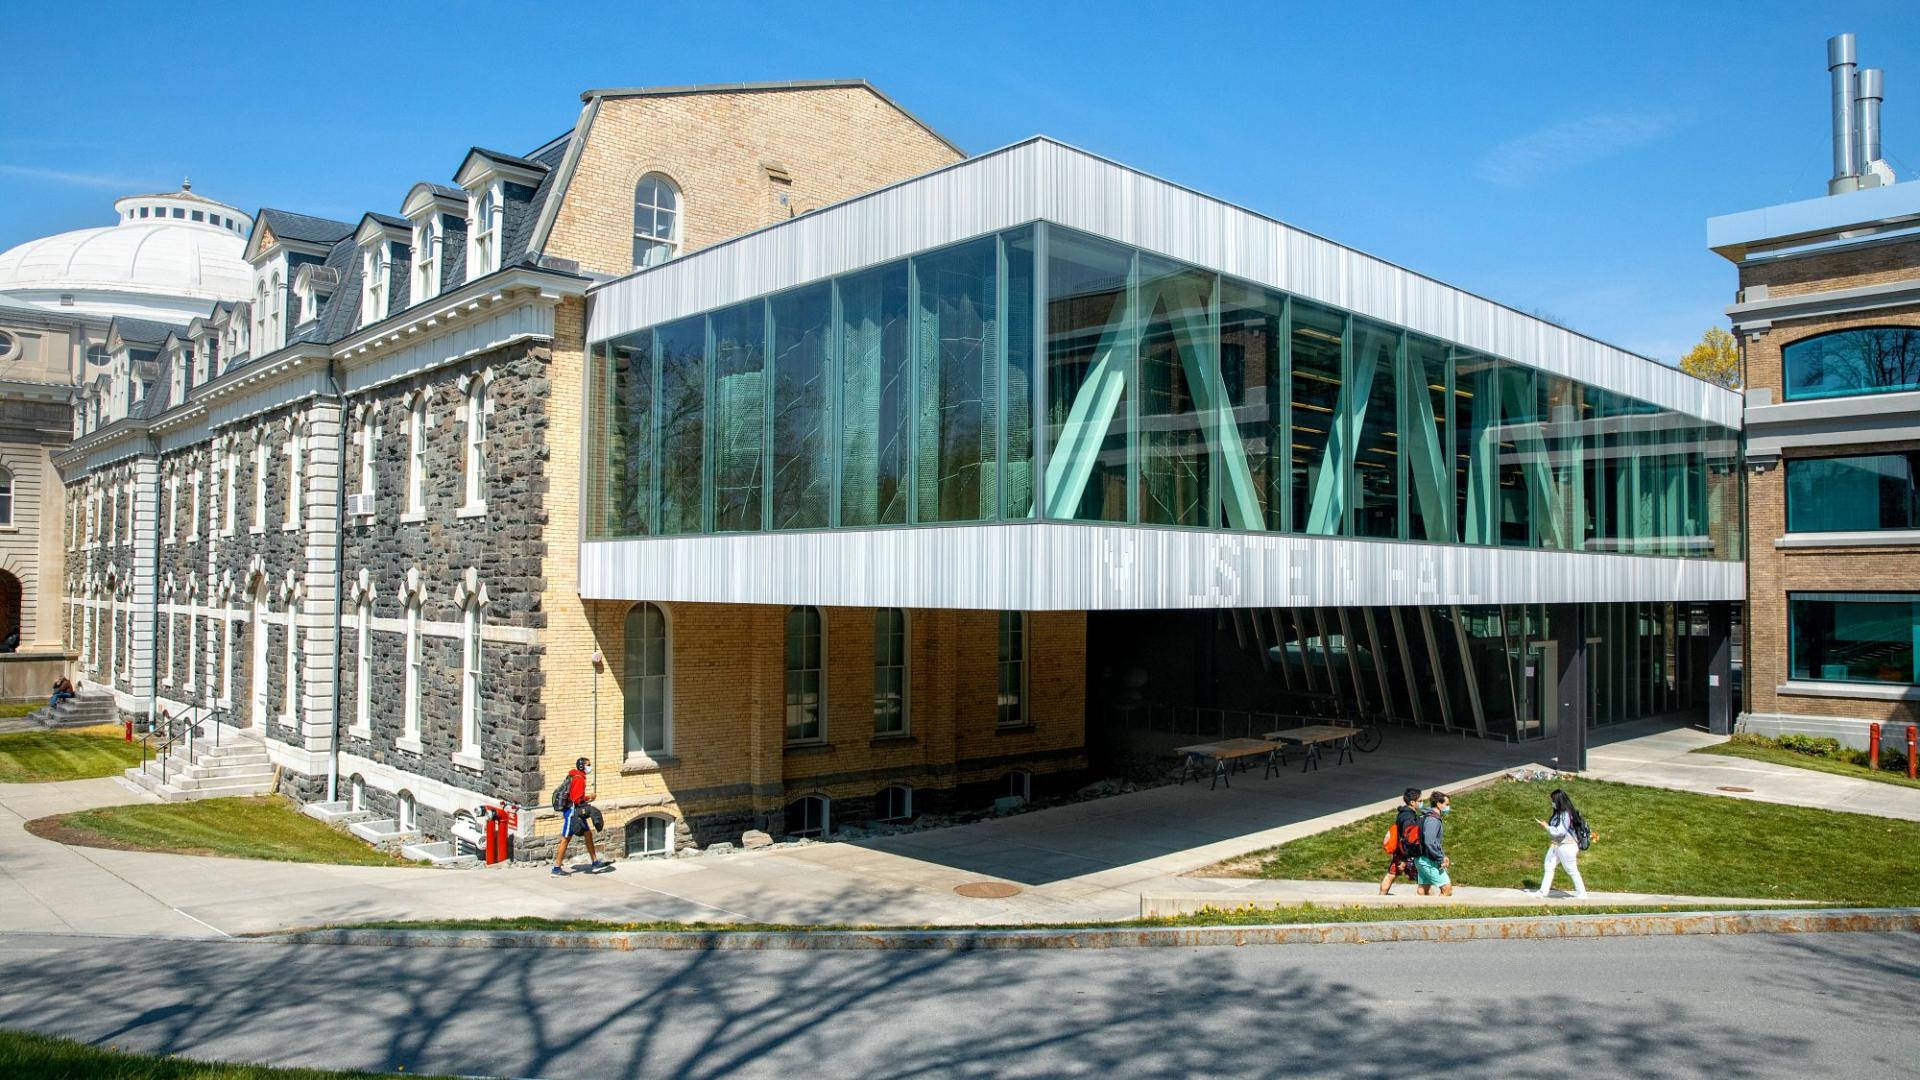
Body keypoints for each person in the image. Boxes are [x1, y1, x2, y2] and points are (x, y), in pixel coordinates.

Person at [552, 757, 609, 876]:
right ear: (582, 766)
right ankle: (556, 868)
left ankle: (595, 863)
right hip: (572, 813)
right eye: (588, 765)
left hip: (577, 812)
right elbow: (576, 799)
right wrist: (589, 797)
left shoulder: (577, 776)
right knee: (566, 838)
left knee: (588, 834)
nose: (590, 767)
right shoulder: (579, 779)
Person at [1527, 788, 1588, 899]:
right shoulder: (1559, 813)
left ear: (1558, 801)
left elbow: (1560, 831)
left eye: (1553, 800)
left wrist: (1546, 827)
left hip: (1567, 846)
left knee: (1571, 869)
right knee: (1549, 865)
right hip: (1557, 844)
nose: (1552, 803)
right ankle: (1542, 892)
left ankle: (1582, 893)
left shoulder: (1565, 814)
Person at [1378, 787, 1424, 895]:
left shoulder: (1404, 813)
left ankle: (1381, 897)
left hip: (1400, 852)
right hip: (1407, 853)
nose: (1422, 803)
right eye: (1420, 801)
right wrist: (1404, 858)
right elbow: (1408, 839)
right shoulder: (1408, 817)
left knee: (1391, 874)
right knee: (1423, 880)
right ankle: (1428, 902)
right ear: (1412, 802)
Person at [1414, 790, 1453, 898]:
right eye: (1447, 804)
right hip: (1428, 860)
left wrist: (1443, 855)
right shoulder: (1432, 820)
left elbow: (1434, 842)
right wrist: (1440, 858)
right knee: (1447, 889)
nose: (1448, 807)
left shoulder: (1426, 816)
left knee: (1423, 891)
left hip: (1421, 859)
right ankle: (1442, 913)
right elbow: (1430, 842)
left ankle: (1420, 913)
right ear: (1439, 804)